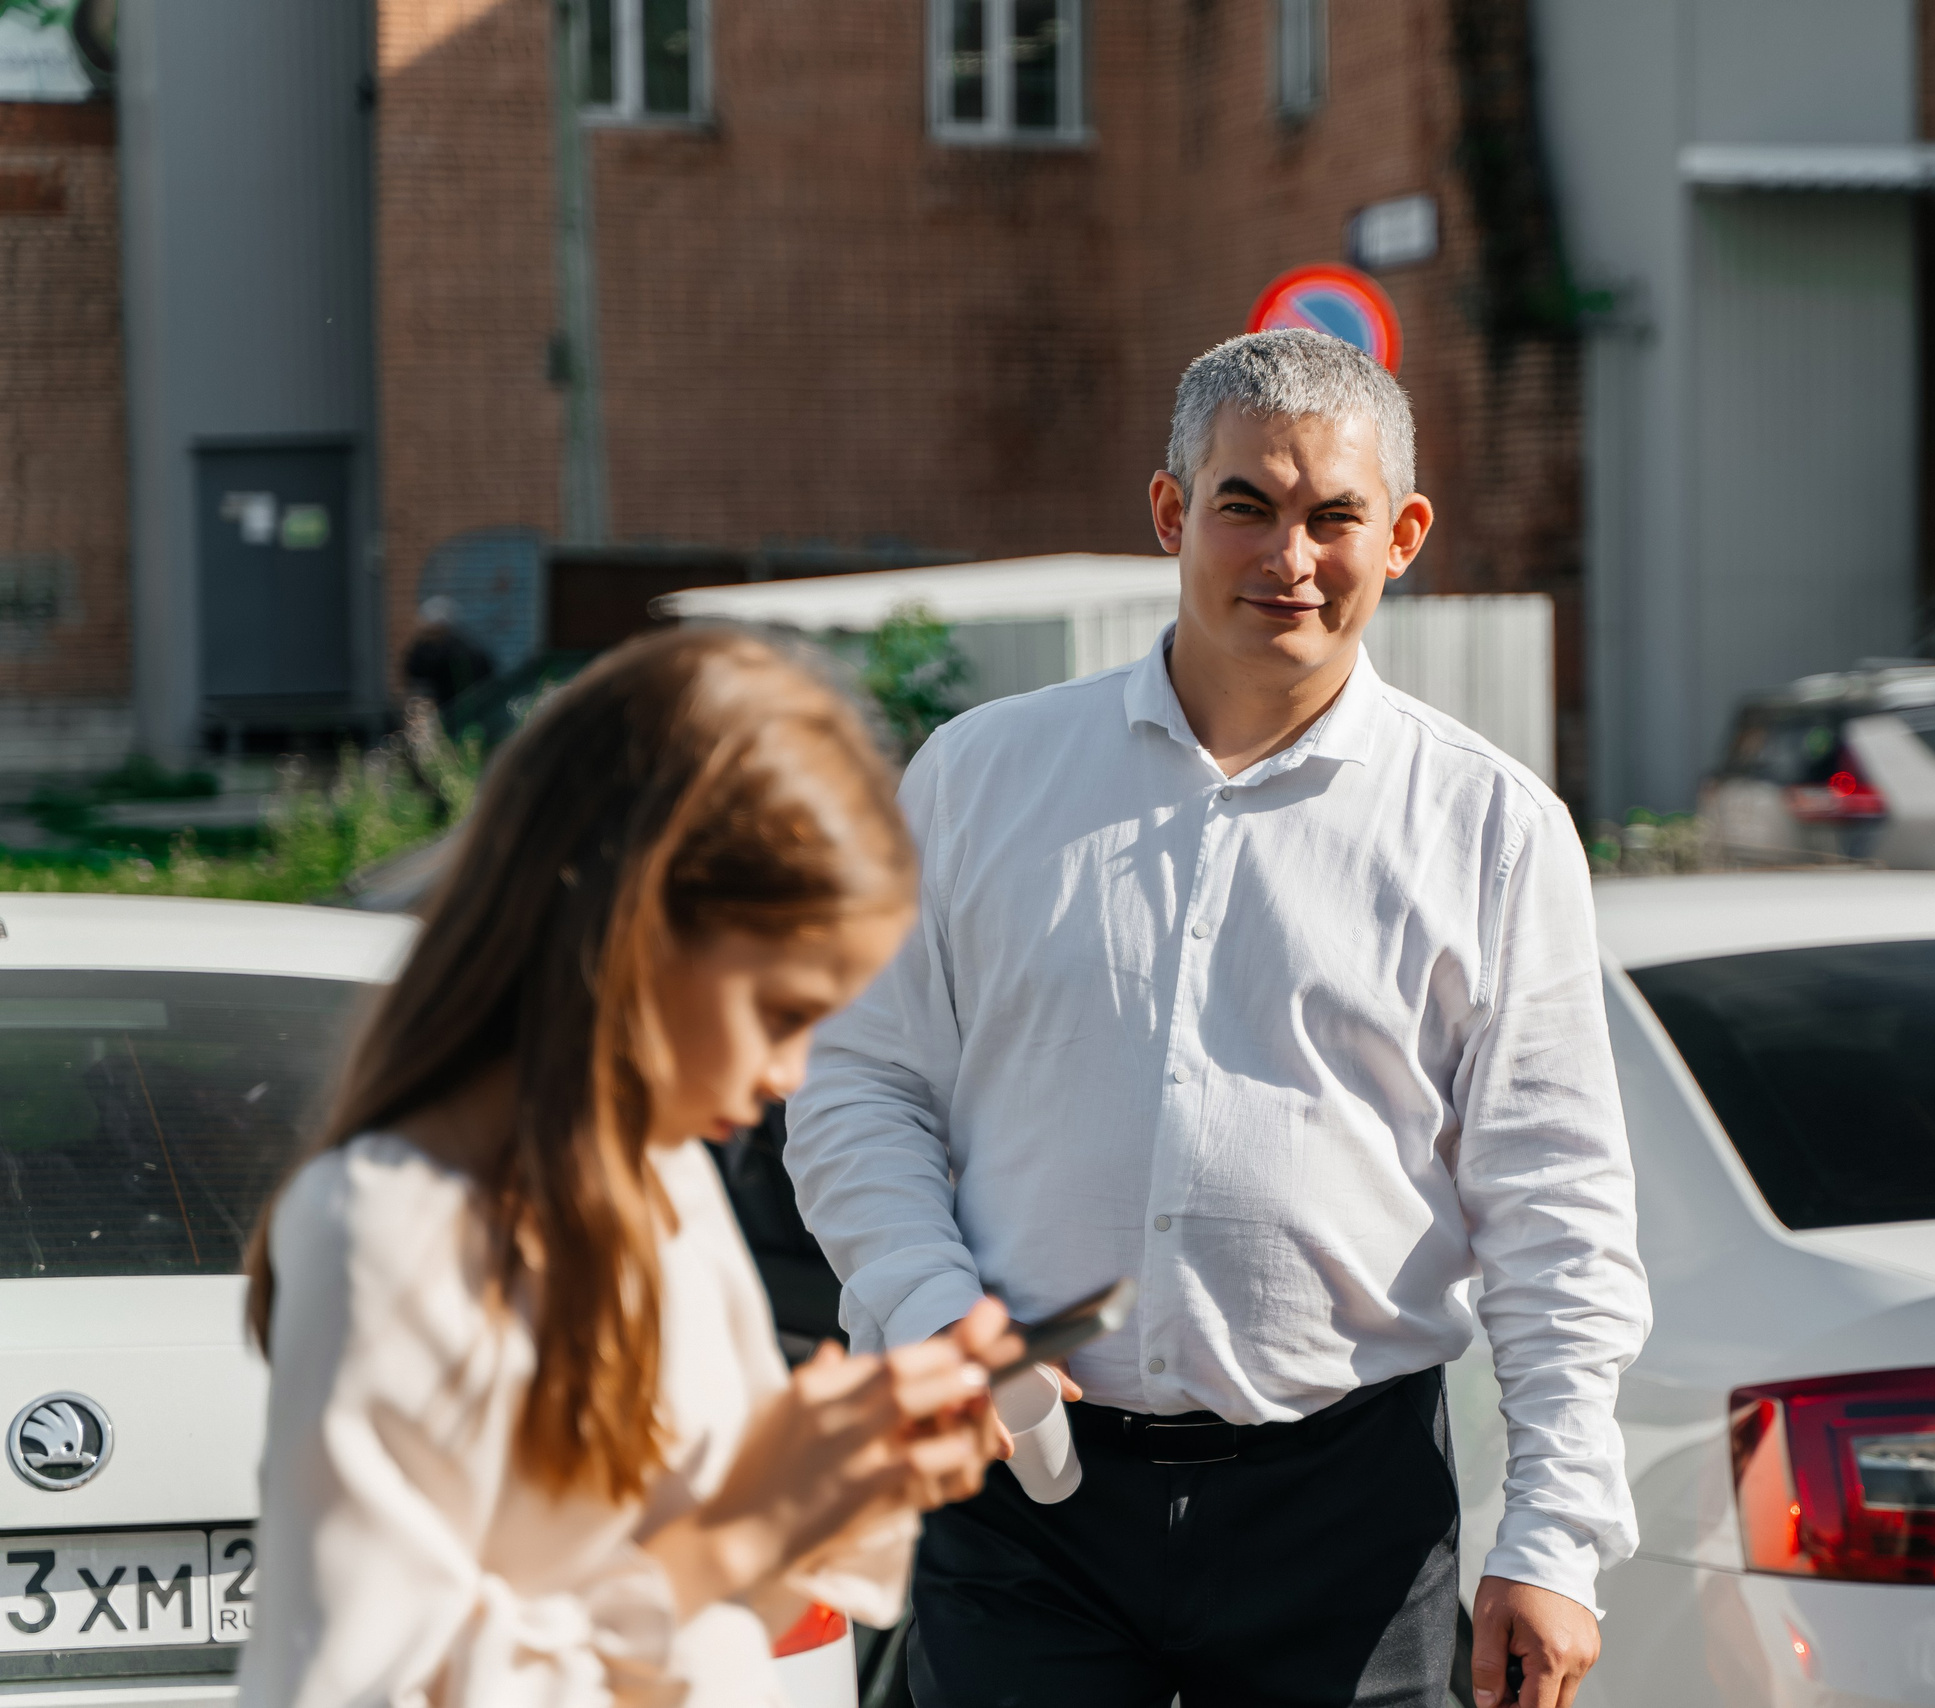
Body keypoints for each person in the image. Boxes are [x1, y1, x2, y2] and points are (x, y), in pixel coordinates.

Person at [787, 330, 1651, 1708]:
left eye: (1335, 516)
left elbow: (1556, 1202)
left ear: (1404, 536)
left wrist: (1555, 1536)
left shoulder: (1490, 827)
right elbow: (858, 1084)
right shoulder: (976, 778)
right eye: (1246, 504)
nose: (1289, 557)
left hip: (1348, 1516)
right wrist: (936, 1309)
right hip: (1022, 1507)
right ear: (1170, 511)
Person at [240, 627, 1019, 1708]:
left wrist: (852, 1475)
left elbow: (728, 1626)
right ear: (635, 927)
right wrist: (745, 1531)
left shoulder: (663, 1182)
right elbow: (369, 1687)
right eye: (779, 1011)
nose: (790, 1073)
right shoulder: (390, 1222)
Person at [405, 594, 496, 709]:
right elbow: (414, 673)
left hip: (462, 709)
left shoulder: (460, 651)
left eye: (431, 631)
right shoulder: (426, 649)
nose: (428, 636)